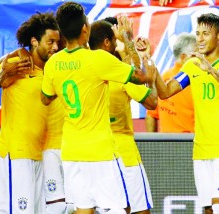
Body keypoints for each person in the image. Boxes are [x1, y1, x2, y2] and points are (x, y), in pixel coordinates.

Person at [40, 2, 153, 214]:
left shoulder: (53, 64)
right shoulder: (98, 59)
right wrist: (128, 40)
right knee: (117, 209)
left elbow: (45, 98)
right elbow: (141, 75)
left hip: (72, 151)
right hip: (101, 151)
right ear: (85, 29)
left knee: (83, 210)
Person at [154, 13, 219, 214]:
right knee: (208, 209)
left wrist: (212, 71)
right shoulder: (192, 65)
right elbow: (165, 92)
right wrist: (148, 61)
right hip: (201, 148)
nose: (199, 38)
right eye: (197, 33)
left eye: (205, 33)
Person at [0, 12, 60, 213]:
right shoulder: (17, 63)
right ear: (34, 41)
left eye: (57, 41)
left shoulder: (49, 71)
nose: (55, 47)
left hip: (37, 155)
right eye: (50, 41)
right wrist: (3, 73)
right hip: (16, 153)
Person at [89, 19, 155, 214]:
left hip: (89, 153)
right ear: (108, 42)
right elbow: (151, 101)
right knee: (137, 210)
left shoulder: (81, 68)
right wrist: (133, 47)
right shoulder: (120, 72)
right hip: (123, 151)